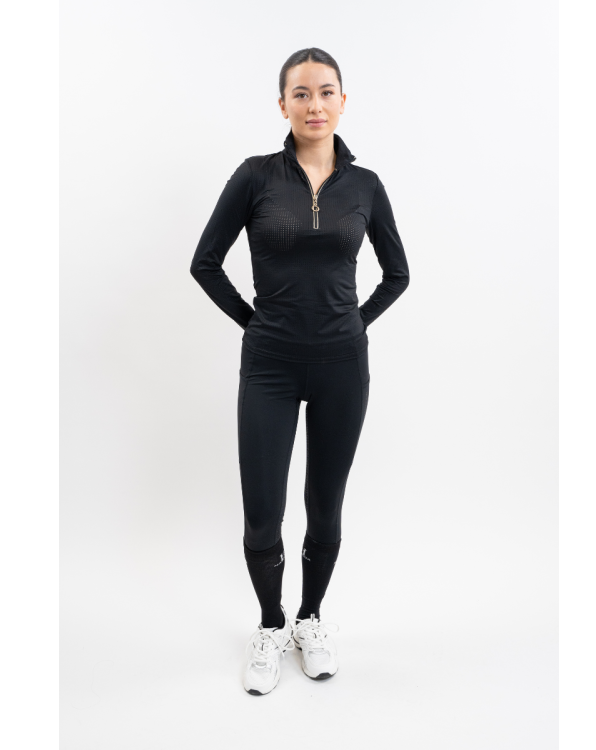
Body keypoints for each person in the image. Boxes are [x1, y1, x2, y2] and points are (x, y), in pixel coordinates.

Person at [190, 47, 410, 695]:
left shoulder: (365, 185)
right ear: (283, 104)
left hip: (343, 368)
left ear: (344, 101)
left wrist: (353, 325)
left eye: (326, 91)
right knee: (263, 511)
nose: (315, 105)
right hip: (270, 367)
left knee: (324, 505)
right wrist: (254, 323)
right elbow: (205, 262)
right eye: (302, 93)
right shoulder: (255, 176)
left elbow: (398, 273)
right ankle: (270, 625)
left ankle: (311, 620)